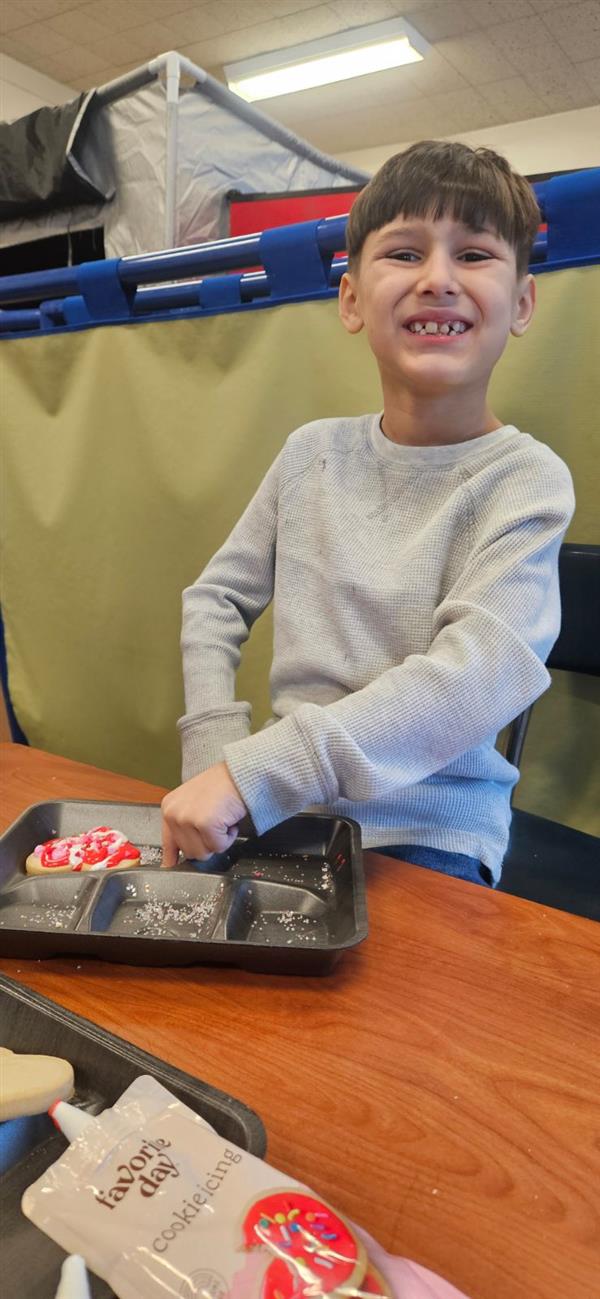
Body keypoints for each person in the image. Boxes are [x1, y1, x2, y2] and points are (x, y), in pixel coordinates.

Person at [161, 140, 575, 887]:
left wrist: (258, 769)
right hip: (284, 815)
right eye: (405, 253)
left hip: (431, 833)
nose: (439, 280)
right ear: (351, 299)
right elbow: (215, 600)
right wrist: (216, 755)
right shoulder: (309, 454)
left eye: (475, 254)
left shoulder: (527, 480)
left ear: (521, 304)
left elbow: (471, 679)